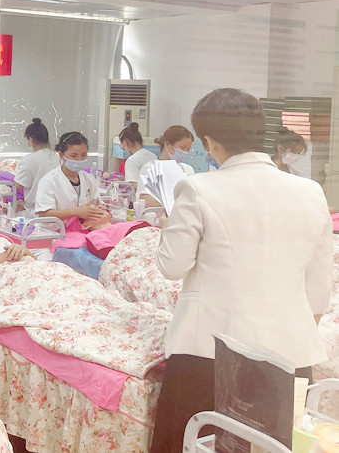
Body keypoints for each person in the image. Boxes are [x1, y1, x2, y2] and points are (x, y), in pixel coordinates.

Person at [151, 88, 333, 453]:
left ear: (209, 141)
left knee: (195, 442)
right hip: (289, 356)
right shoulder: (311, 192)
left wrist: (167, 226)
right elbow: (318, 289)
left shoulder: (198, 189)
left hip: (210, 354)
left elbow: (172, 266)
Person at [33, 131, 106, 222]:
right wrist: (75, 212)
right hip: (56, 228)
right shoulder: (49, 181)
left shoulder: (88, 179)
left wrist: (101, 207)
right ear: (61, 155)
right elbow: (43, 213)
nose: (79, 159)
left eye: (83, 155)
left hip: (82, 227)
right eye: (74, 156)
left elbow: (97, 202)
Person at [137, 125, 196, 208]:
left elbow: (193, 198)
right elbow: (147, 201)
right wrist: (178, 201)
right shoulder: (150, 169)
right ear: (167, 144)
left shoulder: (187, 170)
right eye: (182, 148)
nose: (186, 152)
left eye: (188, 149)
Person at [13, 117, 58, 214]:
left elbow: (17, 186)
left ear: (31, 138)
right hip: (57, 210)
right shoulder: (59, 158)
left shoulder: (28, 160)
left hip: (36, 211)